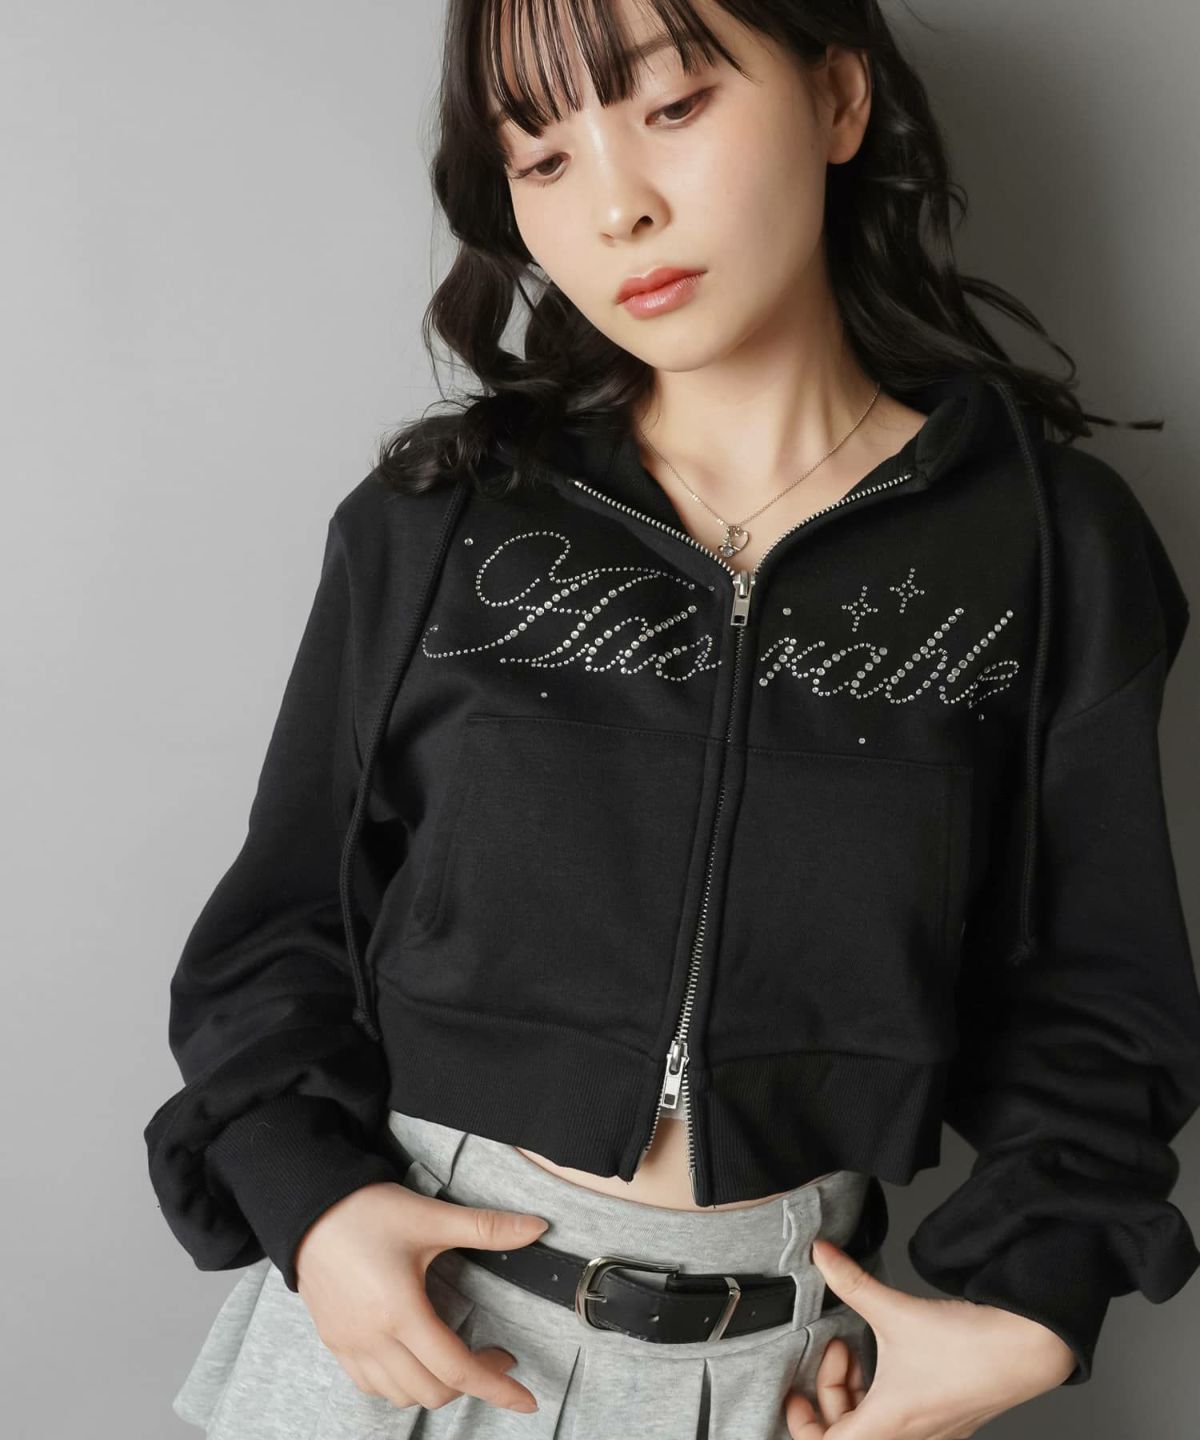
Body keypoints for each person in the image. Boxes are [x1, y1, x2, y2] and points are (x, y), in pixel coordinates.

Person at [145, 2, 1200, 1437]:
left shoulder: (1051, 548)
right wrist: (314, 1205)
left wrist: (1030, 1303)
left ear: (839, 100)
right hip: (405, 1334)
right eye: (543, 156)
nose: (617, 207)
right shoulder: (440, 525)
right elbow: (279, 932)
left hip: (779, 1377)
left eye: (674, 107)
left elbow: (1100, 993)